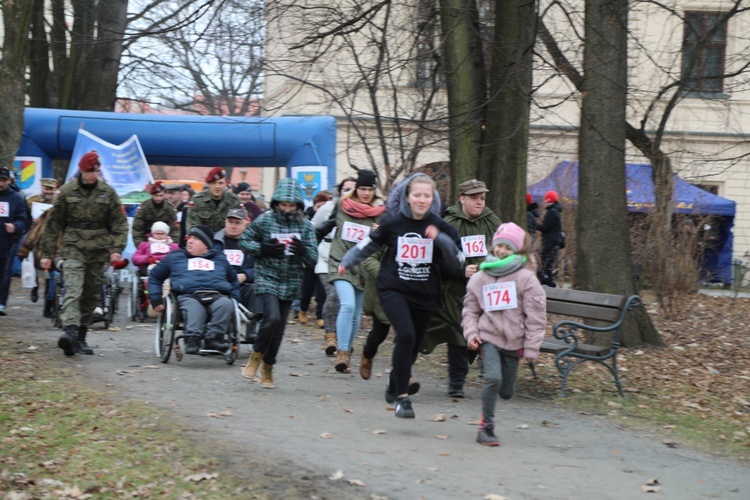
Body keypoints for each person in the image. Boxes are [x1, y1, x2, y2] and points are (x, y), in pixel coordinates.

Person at [338, 173, 464, 419]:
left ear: (433, 199)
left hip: (426, 294)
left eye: (427, 196)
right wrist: (347, 261)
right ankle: (402, 399)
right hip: (393, 289)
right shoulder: (393, 223)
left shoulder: (441, 226)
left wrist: (440, 239)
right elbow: (368, 245)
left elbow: (458, 260)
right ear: (408, 197)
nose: (421, 200)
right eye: (417, 195)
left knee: (413, 346)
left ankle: (395, 381)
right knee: (405, 334)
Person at [462, 222, 546, 446]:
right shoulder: (481, 277)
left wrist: (531, 347)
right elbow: (470, 310)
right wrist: (472, 334)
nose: (501, 251)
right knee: (493, 378)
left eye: (507, 248)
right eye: (498, 246)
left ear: (517, 251)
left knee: (507, 391)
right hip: (488, 337)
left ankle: (497, 402)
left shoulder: (526, 279)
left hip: (514, 341)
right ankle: (486, 427)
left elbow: (536, 316)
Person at [39, 151, 129, 356]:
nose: (93, 175)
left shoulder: (108, 193)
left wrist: (117, 249)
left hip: (98, 250)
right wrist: (47, 254)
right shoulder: (66, 192)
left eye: (96, 171)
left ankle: (80, 336)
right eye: (89, 171)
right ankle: (69, 333)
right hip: (73, 247)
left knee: (91, 295)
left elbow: (120, 224)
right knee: (73, 290)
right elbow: (53, 225)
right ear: (81, 170)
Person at [421, 179, 502, 398]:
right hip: (456, 291)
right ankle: (456, 383)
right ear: (462, 199)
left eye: (482, 198)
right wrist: (460, 272)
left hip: (487, 292)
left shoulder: (492, 222)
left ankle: (464, 371)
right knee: (459, 334)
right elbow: (435, 261)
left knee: (480, 335)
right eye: (474, 198)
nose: (479, 202)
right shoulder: (449, 223)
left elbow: (506, 250)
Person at [239, 178, 317, 389]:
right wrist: (262, 248)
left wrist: (303, 251)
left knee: (280, 327)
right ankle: (255, 356)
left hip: (291, 279)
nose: (287, 209)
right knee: (271, 318)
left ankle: (268, 366)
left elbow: (313, 258)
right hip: (267, 276)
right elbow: (244, 241)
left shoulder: (305, 226)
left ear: (298, 206)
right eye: (283, 204)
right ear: (276, 203)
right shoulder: (264, 221)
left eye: (291, 205)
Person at [148, 225, 240, 354]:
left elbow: (233, 280)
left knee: (226, 304)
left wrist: (235, 298)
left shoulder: (220, 258)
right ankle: (192, 338)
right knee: (194, 308)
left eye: (196, 239)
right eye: (190, 237)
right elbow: (155, 277)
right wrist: (156, 299)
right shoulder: (175, 257)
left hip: (217, 295)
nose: (190, 241)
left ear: (206, 245)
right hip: (189, 295)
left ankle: (214, 337)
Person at [328, 170, 385, 372]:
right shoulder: (342, 206)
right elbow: (324, 226)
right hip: (340, 263)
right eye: (362, 188)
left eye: (370, 189)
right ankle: (342, 351)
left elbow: (386, 239)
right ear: (356, 189)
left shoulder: (380, 213)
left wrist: (381, 231)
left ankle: (347, 355)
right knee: (348, 305)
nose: (366, 193)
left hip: (364, 269)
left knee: (355, 315)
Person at [312, 177, 356, 354]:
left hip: (351, 261)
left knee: (348, 303)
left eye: (354, 189)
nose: (349, 192)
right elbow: (313, 228)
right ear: (339, 191)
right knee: (333, 294)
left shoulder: (365, 211)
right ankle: (330, 335)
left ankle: (344, 338)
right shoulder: (328, 208)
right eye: (346, 189)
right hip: (326, 258)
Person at [213, 208, 258, 339]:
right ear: (225, 223)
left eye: (237, 223)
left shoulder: (253, 243)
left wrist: (245, 275)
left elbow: (260, 267)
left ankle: (252, 328)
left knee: (255, 290)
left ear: (245, 224)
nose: (233, 226)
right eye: (230, 222)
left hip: (242, 282)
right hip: (218, 282)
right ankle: (216, 332)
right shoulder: (214, 242)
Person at [297, 190, 332, 326]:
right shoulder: (306, 218)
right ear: (314, 205)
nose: (321, 210)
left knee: (322, 288)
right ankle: (303, 309)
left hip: (323, 255)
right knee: (307, 287)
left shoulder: (330, 217)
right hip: (309, 256)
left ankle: (320, 315)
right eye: (319, 207)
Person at [0, 167, 29, 315]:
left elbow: (23, 221)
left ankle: (1, 303)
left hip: (8, 242)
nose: (1, 183)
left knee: (5, 273)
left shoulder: (17, 198)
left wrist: (15, 226)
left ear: (9, 181)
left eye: (4, 180)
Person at [187, 167, 241, 233]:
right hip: (203, 240)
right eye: (214, 183)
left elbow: (241, 224)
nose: (217, 187)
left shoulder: (234, 201)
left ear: (225, 184)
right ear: (209, 184)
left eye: (220, 183)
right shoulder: (197, 200)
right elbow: (193, 227)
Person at [131, 181, 179, 246]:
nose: (158, 198)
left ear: (164, 194)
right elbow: (137, 228)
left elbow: (175, 230)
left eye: (161, 195)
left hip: (166, 242)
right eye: (156, 195)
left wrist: (172, 246)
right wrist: (141, 245)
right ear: (152, 195)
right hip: (147, 242)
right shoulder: (144, 207)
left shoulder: (170, 208)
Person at [537, 190, 563, 287]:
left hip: (550, 243)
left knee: (541, 264)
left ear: (549, 201)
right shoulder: (556, 211)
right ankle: (549, 284)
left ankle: (549, 283)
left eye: (545, 200)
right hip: (554, 243)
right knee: (548, 267)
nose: (543, 202)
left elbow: (545, 227)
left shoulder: (552, 212)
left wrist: (534, 224)